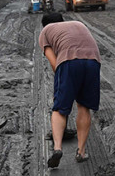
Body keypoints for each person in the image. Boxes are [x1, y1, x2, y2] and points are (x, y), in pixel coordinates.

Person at [38, 12, 102, 167]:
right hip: (93, 61)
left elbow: (55, 64)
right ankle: (81, 152)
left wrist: (65, 88)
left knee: (59, 107)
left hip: (68, 61)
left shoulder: (45, 32)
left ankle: (58, 148)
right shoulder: (78, 24)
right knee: (84, 106)